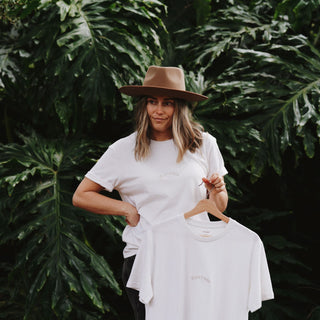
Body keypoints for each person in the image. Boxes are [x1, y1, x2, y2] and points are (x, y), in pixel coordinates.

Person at [72, 66, 228, 320]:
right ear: (143, 106)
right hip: (146, 258)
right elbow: (81, 195)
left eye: (167, 103)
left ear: (179, 107)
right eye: (152, 102)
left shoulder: (203, 143)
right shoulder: (124, 149)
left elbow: (218, 207)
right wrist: (125, 209)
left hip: (195, 256)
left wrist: (217, 191)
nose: (159, 110)